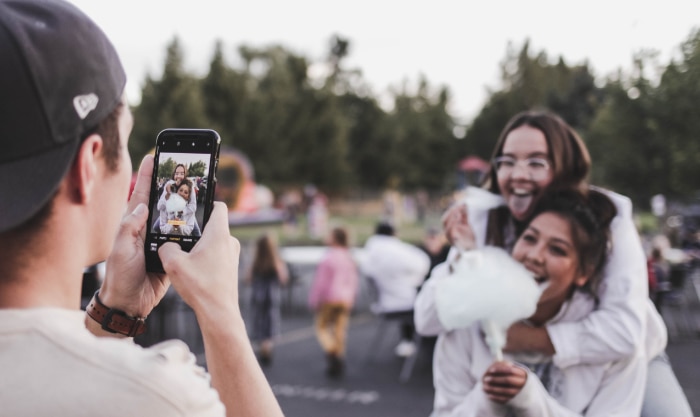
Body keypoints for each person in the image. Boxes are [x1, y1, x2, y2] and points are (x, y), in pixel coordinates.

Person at [0, 1, 283, 416]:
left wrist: (114, 314)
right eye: (128, 142)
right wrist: (220, 311)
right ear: (87, 168)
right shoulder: (156, 396)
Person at [414, 110, 692, 416]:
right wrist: (465, 255)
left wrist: (531, 340)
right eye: (507, 161)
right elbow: (428, 319)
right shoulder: (484, 219)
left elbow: (625, 333)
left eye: (536, 162)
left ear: (564, 169)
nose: (518, 174)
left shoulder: (605, 218)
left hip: (616, 358)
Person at [432, 190, 649, 416]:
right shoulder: (470, 321)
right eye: (529, 238)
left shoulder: (614, 342)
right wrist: (487, 398)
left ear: (584, 272)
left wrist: (529, 400)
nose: (535, 256)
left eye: (557, 249)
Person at [362, 222, 430, 357]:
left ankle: (408, 342)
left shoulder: (371, 251)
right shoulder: (397, 251)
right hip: (402, 303)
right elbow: (422, 264)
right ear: (393, 233)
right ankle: (426, 349)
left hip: (384, 302)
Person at [308, 227, 360, 378]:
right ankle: (339, 355)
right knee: (339, 330)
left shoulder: (328, 258)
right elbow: (353, 281)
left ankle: (332, 352)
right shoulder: (349, 257)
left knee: (322, 327)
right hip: (345, 298)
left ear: (335, 238)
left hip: (330, 298)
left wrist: (314, 300)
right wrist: (352, 298)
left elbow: (321, 282)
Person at [245, 234, 290, 365]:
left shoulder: (255, 262)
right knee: (270, 321)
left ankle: (261, 344)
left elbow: (248, 279)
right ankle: (267, 347)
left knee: (258, 320)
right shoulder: (276, 261)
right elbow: (283, 279)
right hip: (271, 296)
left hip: (257, 295)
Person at [154, 163, 199, 234]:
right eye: (177, 173)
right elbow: (160, 206)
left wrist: (182, 210)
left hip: (187, 212)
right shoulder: (170, 185)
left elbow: (193, 206)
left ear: (185, 175)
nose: (179, 176)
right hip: (171, 213)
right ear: (174, 175)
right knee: (156, 227)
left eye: (182, 173)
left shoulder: (189, 186)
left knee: (196, 233)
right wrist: (167, 195)